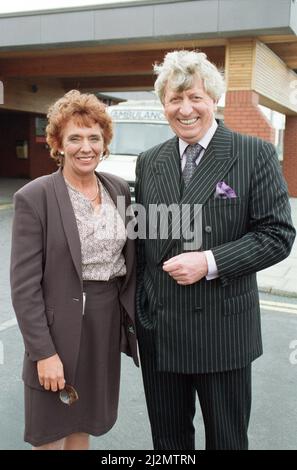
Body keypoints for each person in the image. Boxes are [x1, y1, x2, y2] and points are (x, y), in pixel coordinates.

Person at [135, 50, 296, 450]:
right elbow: (141, 243)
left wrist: (209, 261)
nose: (185, 109)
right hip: (162, 331)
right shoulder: (149, 161)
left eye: (195, 98)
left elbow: (278, 234)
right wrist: (141, 312)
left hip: (221, 334)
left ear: (214, 100)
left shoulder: (252, 153)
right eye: (175, 99)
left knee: (227, 441)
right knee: (168, 443)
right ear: (164, 105)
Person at [10, 90, 138, 450]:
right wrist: (43, 353)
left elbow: (132, 260)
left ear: (105, 142)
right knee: (51, 432)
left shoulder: (118, 189)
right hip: (56, 330)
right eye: (75, 138)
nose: (86, 147)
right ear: (58, 144)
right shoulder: (35, 197)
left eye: (94, 137)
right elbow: (24, 288)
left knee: (83, 424)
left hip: (104, 326)